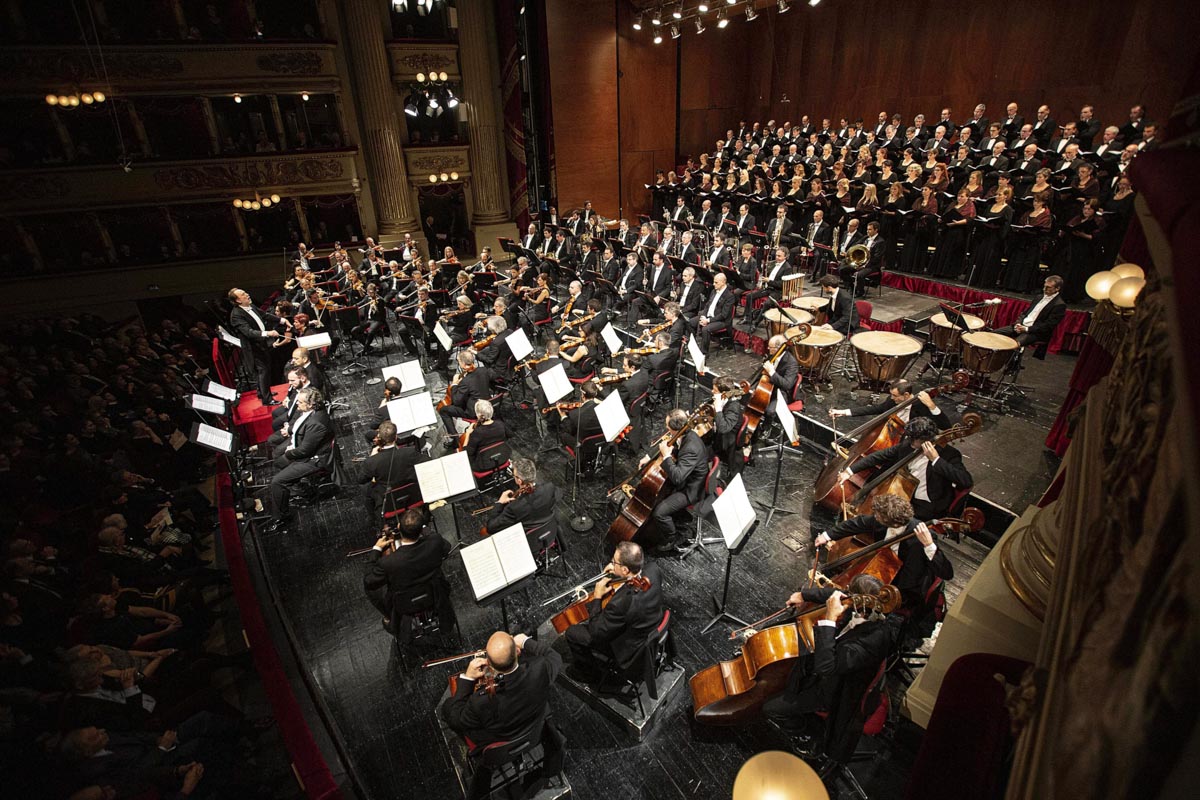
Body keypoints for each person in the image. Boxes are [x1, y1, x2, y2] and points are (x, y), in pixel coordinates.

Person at [763, 574, 902, 741]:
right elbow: (836, 594)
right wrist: (803, 595)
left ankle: (805, 733)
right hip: (832, 666)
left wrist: (830, 618)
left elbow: (827, 667)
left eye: (849, 594)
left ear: (859, 601)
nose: (845, 596)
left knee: (770, 708)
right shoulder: (864, 607)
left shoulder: (873, 640)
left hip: (833, 690)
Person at [441, 630, 564, 796]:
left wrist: (468, 678)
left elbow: (457, 719)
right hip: (535, 729)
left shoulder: (480, 701)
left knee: (448, 706)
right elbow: (554, 656)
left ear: (489, 664)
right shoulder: (539, 669)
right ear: (518, 652)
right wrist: (526, 641)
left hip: (499, 744)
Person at [812, 494, 953, 612]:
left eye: (877, 516)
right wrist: (827, 535)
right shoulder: (882, 520)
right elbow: (857, 523)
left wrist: (929, 545)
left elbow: (947, 572)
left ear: (891, 522)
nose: (875, 517)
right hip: (884, 564)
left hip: (905, 586)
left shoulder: (923, 536)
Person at [564, 542, 664, 683]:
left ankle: (588, 674)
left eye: (613, 561)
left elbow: (596, 632)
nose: (611, 563)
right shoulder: (653, 569)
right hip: (650, 624)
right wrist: (615, 573)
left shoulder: (620, 604)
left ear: (625, 570)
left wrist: (597, 597)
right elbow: (629, 585)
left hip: (627, 648)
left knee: (573, 633)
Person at [836, 417, 972, 520]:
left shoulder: (949, 454)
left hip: (927, 503)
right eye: (910, 439)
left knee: (885, 516)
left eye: (915, 441)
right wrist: (849, 471)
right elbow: (880, 456)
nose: (911, 443)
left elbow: (966, 481)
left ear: (927, 440)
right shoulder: (909, 443)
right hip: (905, 493)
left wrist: (936, 460)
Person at [362, 508, 452, 631]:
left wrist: (376, 549)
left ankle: (390, 618)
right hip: (436, 594)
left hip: (405, 605)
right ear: (421, 530)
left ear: (399, 527)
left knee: (371, 591)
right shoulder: (435, 541)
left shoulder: (389, 562)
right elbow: (446, 548)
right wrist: (425, 530)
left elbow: (368, 581)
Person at [265, 387, 335, 532]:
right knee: (278, 461)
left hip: (315, 459)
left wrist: (288, 453)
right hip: (308, 452)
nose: (297, 405)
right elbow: (302, 430)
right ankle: (299, 488)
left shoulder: (317, 422)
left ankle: (281, 517)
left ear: (310, 405)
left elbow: (305, 450)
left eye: (300, 403)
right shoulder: (312, 413)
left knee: (277, 481)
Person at [638, 409, 708, 552]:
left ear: (676, 429)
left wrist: (666, 457)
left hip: (691, 489)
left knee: (659, 512)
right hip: (686, 479)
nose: (667, 430)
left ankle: (671, 538)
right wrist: (648, 457)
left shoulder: (691, 448)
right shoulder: (684, 433)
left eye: (668, 427)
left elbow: (677, 478)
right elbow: (668, 444)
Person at [485, 458, 561, 550]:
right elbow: (559, 495)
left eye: (514, 475)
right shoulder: (549, 488)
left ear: (519, 481)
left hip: (531, 542)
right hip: (550, 531)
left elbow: (490, 527)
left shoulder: (514, 508)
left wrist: (499, 503)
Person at [226, 288, 285, 406]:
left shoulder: (251, 306)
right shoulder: (236, 315)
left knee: (265, 369)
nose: (247, 294)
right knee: (263, 371)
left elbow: (264, 315)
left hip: (261, 344)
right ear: (237, 300)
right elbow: (248, 332)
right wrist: (267, 333)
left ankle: (262, 392)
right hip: (253, 348)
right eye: (243, 294)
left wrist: (281, 320)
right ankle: (266, 399)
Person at [829, 379, 954, 431]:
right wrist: (844, 412)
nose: (891, 398)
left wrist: (932, 406)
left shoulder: (921, 406)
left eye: (895, 396)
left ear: (906, 395)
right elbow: (877, 409)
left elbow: (946, 426)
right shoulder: (893, 400)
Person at [357, 421, 421, 522]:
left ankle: (373, 518)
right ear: (396, 437)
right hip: (413, 495)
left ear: (379, 438)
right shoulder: (410, 452)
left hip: (388, 500)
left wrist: (372, 457)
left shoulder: (371, 462)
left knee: (365, 489)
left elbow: (361, 479)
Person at [994, 274, 1067, 348]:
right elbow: (1025, 313)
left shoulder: (1059, 305)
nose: (1044, 289)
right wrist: (1018, 323)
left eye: (1048, 287)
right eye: (1044, 286)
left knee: (1013, 345)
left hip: (1035, 332)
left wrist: (1027, 329)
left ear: (1057, 288)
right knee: (993, 334)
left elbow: (1048, 325)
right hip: (1021, 326)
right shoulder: (1039, 297)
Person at [438, 350, 492, 443]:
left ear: (463, 364)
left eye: (458, 361)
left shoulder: (466, 381)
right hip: (487, 403)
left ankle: (455, 439)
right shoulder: (483, 370)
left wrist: (455, 384)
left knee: (443, 410)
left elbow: (456, 401)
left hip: (474, 411)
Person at [461, 400, 508, 474]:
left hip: (482, 465)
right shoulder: (500, 424)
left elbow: (466, 452)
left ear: (478, 415)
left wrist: (468, 434)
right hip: (502, 458)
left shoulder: (477, 432)